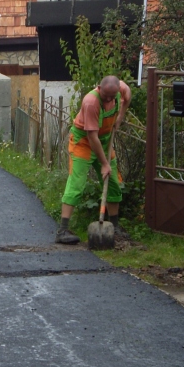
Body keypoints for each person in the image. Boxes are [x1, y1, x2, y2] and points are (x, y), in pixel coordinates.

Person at [55, 75, 132, 244]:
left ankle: (114, 227)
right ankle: (62, 230)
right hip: (84, 142)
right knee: (77, 183)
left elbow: (128, 96)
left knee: (113, 182)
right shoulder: (91, 102)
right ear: (99, 88)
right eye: (106, 97)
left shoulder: (121, 89)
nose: (110, 100)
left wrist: (120, 117)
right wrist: (104, 163)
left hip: (104, 141)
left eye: (113, 96)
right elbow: (92, 136)